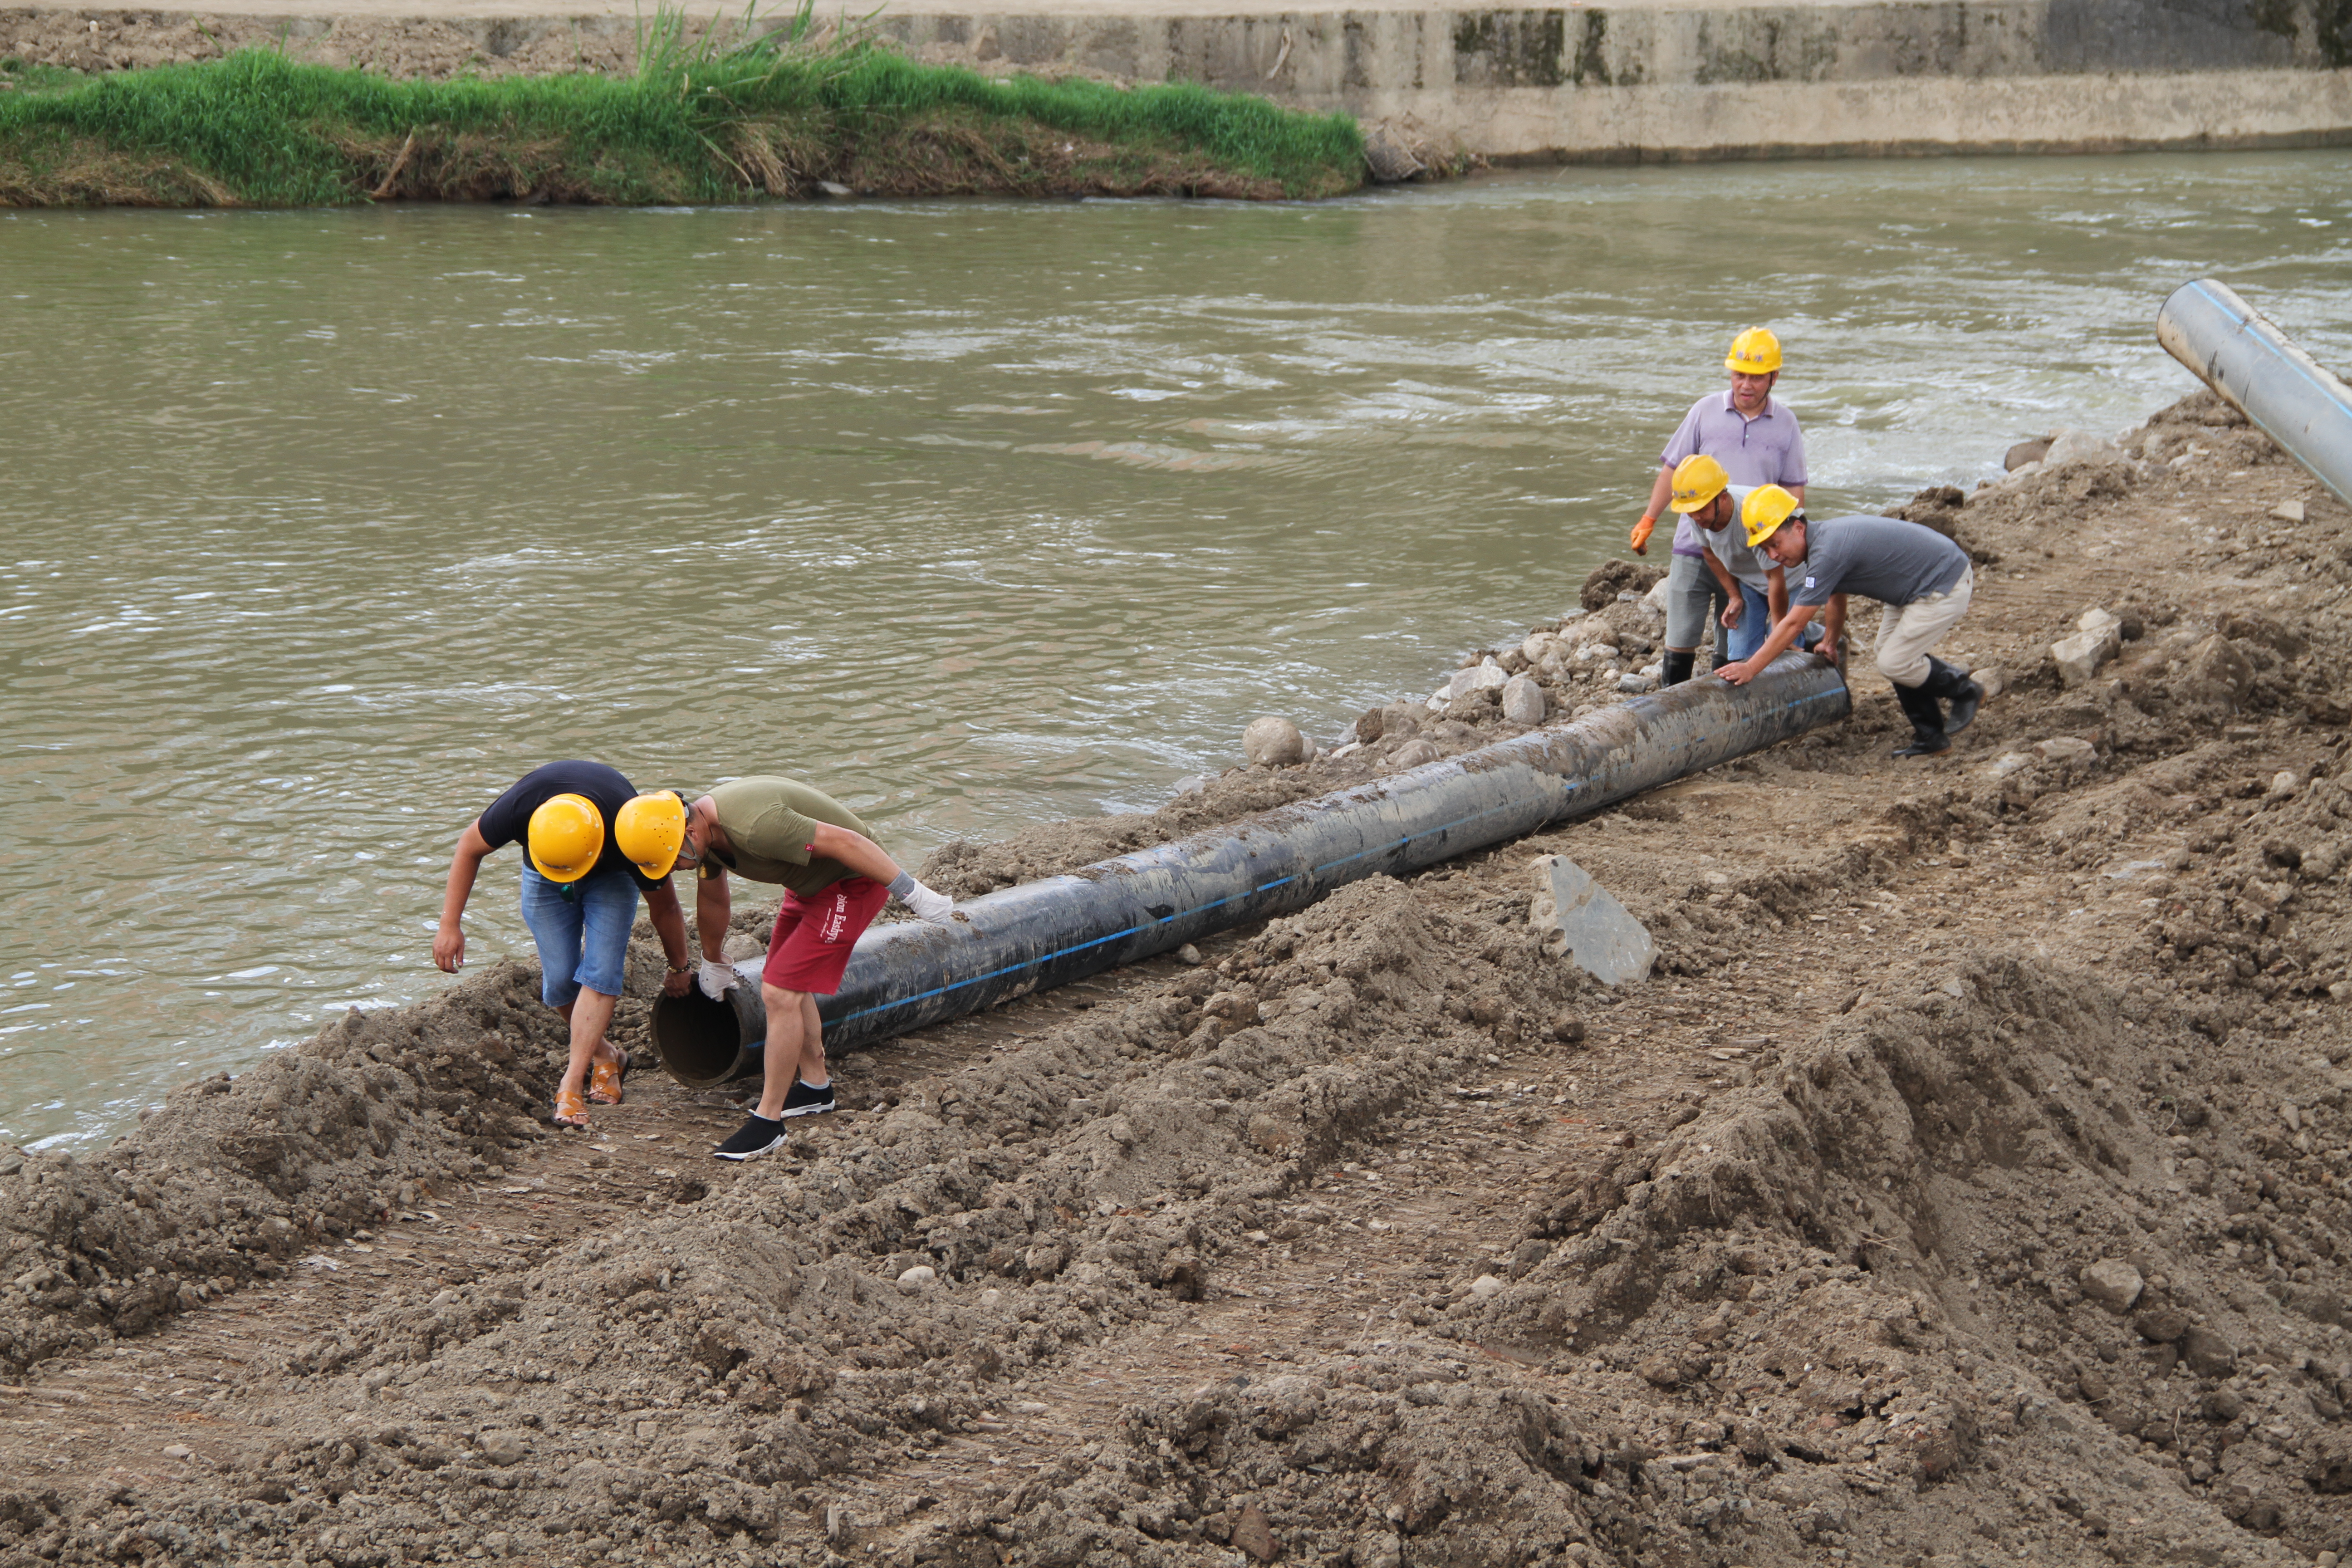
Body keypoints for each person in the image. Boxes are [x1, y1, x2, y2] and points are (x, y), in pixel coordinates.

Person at [681, 777, 956, 1161]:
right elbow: (712, 899)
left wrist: (913, 893)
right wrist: (713, 961)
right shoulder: (702, 836)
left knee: (780, 992)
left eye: (674, 858)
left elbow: (850, 843)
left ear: (691, 830)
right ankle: (815, 1087)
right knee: (784, 983)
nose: (675, 867)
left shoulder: (757, 826)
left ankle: (768, 1122)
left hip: (852, 882)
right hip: (808, 886)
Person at [434, 763, 695, 1129]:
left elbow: (665, 907)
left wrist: (679, 967)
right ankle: (607, 1055)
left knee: (601, 972)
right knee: (558, 982)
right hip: (546, 871)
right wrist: (450, 924)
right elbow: (468, 847)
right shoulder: (522, 805)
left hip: (611, 877)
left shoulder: (633, 834)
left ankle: (571, 1084)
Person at [1720, 485, 1983, 758]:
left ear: (1798, 528)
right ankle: (1931, 737)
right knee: (1890, 656)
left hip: (1942, 581)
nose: (1773, 556)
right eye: (1766, 549)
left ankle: (1965, 690)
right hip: (1912, 587)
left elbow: (1793, 623)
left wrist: (1751, 667)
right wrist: (1830, 642)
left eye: (1775, 544)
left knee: (1895, 662)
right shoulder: (1822, 542)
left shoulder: (1826, 552)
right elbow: (1836, 595)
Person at [1629, 328, 1808, 683]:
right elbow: (1673, 469)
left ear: (1774, 377)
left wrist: (1791, 544)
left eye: (1756, 378)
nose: (1746, 385)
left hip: (1752, 548)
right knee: (1681, 634)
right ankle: (1672, 702)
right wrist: (1650, 518)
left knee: (1733, 642)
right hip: (1698, 540)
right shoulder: (1705, 411)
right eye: (1739, 375)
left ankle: (1726, 707)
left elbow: (1793, 491)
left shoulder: (1786, 423)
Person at [1657, 455, 1813, 672]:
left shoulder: (1750, 516)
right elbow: (1709, 552)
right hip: (1750, 582)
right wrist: (1734, 595)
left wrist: (1779, 631)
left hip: (1789, 580)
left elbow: (1775, 579)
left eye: (1701, 510)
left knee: (1786, 649)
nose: (1696, 517)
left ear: (1722, 497)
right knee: (1741, 654)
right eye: (1690, 512)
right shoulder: (1698, 514)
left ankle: (1815, 639)